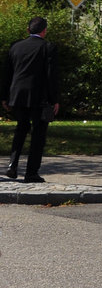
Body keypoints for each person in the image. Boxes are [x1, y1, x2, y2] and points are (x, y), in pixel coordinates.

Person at [3, 17, 59, 183]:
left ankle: (12, 164)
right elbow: (51, 76)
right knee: (38, 134)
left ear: (28, 30)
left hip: (17, 95)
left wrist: (4, 96)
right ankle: (31, 172)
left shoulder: (16, 46)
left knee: (21, 129)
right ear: (44, 31)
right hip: (39, 97)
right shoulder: (48, 48)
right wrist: (54, 98)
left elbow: (7, 73)